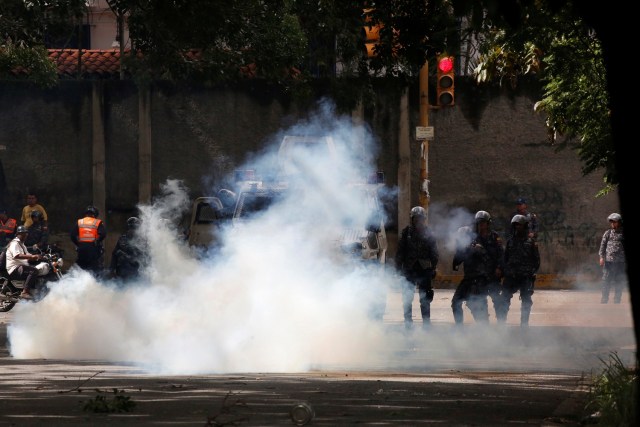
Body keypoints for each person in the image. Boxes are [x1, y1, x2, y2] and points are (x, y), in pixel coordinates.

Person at [451, 210, 502, 326]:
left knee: (484, 303)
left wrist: (499, 268)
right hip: (470, 277)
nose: (481, 226)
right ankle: (460, 329)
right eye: (479, 223)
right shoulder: (472, 238)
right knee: (456, 301)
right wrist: (464, 247)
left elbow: (499, 255)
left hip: (485, 277)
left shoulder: (494, 237)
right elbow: (458, 259)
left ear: (488, 224)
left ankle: (491, 329)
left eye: (483, 223)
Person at [394, 206, 439, 329]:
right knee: (407, 298)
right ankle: (408, 323)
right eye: (416, 218)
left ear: (424, 219)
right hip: (409, 269)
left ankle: (426, 324)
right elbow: (400, 252)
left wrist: (433, 267)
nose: (418, 221)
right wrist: (398, 269)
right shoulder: (406, 232)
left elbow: (434, 252)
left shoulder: (429, 233)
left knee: (425, 298)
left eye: (420, 218)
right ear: (412, 219)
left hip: (424, 270)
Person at [497, 214, 541, 326]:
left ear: (525, 226)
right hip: (511, 275)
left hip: (525, 276)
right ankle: (501, 325)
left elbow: (536, 260)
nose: (518, 227)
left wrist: (531, 273)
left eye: (520, 225)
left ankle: (524, 326)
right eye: (516, 225)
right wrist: (504, 271)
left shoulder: (531, 242)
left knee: (526, 302)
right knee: (504, 299)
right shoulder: (510, 241)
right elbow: (505, 258)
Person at [5, 225, 44, 299]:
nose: (25, 236)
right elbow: (17, 255)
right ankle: (25, 292)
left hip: (21, 266)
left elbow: (27, 255)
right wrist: (32, 257)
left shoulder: (22, 245)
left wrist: (39, 257)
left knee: (37, 268)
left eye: (26, 234)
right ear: (18, 234)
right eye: (23, 234)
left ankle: (34, 290)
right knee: (33, 271)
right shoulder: (14, 243)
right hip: (14, 267)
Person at [70, 205, 107, 277]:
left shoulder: (79, 222)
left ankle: (78, 285)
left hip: (82, 249)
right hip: (93, 249)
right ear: (95, 214)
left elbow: (72, 235)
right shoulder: (97, 222)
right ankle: (94, 285)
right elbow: (103, 234)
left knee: (80, 269)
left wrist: (78, 244)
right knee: (95, 270)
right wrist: (97, 241)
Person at [598, 213, 626, 304]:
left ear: (619, 222)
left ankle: (617, 300)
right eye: (611, 222)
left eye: (615, 222)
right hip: (609, 262)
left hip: (620, 262)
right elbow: (602, 246)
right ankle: (604, 299)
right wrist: (601, 257)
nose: (613, 224)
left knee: (619, 281)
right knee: (606, 281)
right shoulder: (608, 233)